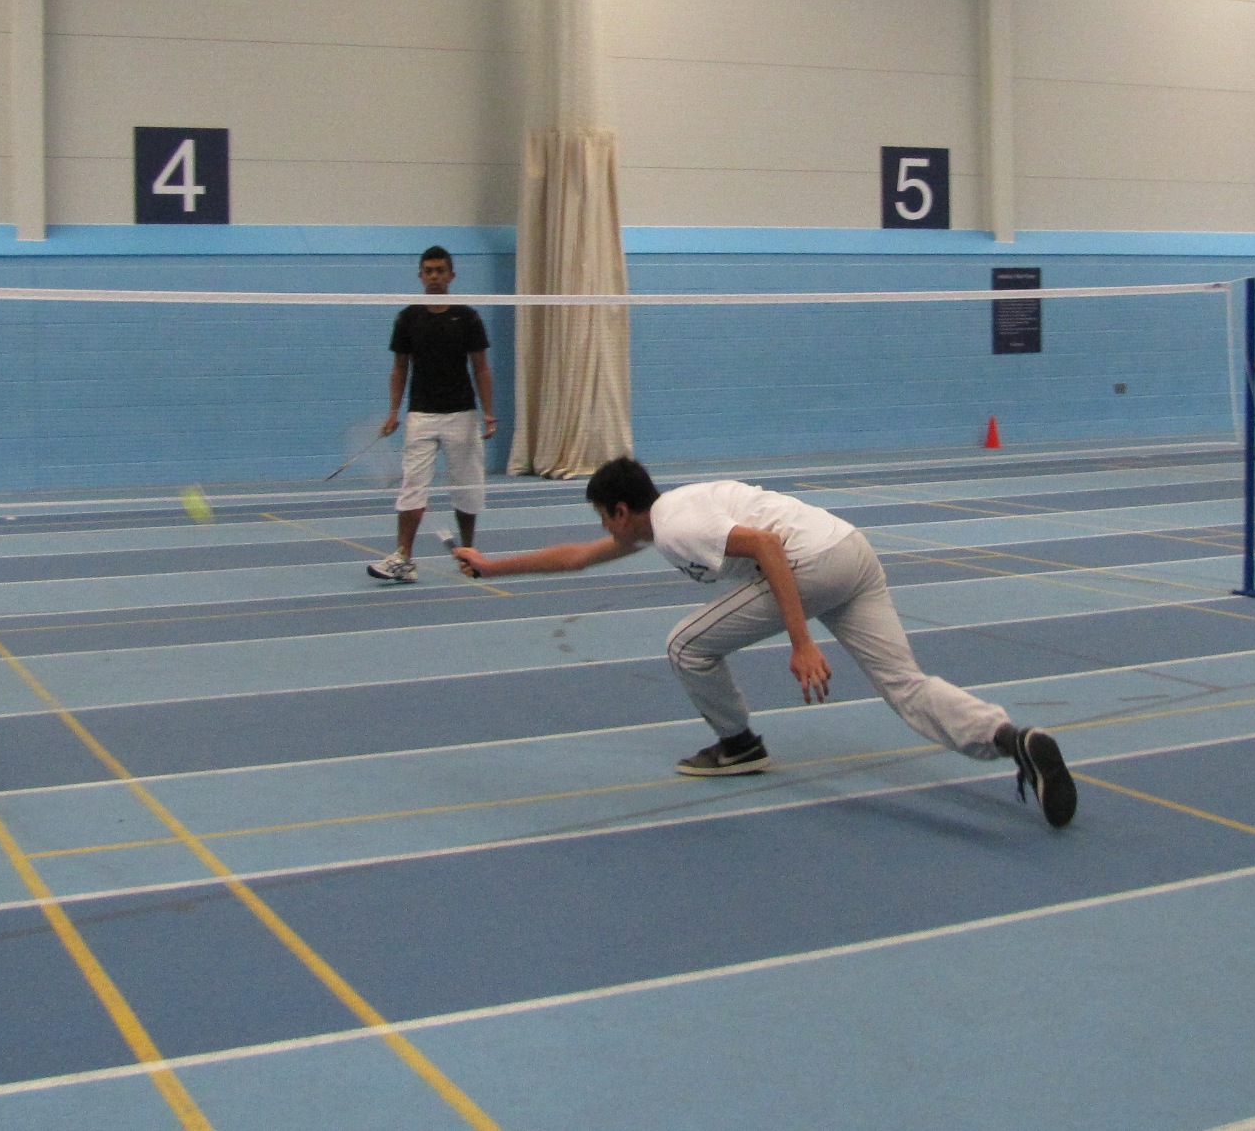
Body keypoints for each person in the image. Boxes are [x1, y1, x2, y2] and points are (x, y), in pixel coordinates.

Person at [452, 456, 1076, 827]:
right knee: (905, 686)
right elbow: (580, 558)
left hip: (810, 564)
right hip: (852, 551)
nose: (604, 531)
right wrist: (493, 565)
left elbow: (770, 548)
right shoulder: (671, 511)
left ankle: (740, 744)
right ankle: (1011, 738)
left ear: (619, 509)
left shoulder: (675, 529)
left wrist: (801, 641)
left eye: (603, 518)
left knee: (685, 646)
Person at [367, 246, 495, 584]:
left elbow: (481, 368)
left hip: (462, 415)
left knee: (466, 488)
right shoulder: (408, 317)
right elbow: (399, 369)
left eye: (440, 270)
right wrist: (394, 411)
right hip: (420, 415)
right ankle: (403, 559)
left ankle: (469, 554)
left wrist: (489, 414)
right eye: (428, 271)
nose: (435, 276)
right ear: (420, 276)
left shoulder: (467, 317)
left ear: (451, 276)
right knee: (412, 487)